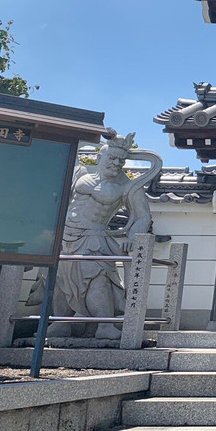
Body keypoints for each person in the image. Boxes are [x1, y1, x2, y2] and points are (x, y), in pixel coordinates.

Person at [50, 131, 159, 340]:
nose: (116, 163)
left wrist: (132, 238)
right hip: (66, 236)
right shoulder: (81, 173)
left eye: (121, 160)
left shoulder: (127, 186)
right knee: (61, 281)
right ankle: (61, 322)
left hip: (95, 238)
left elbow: (143, 216)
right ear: (100, 156)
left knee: (97, 279)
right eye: (112, 158)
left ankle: (105, 324)